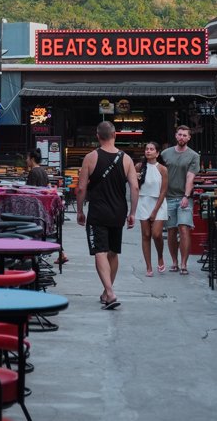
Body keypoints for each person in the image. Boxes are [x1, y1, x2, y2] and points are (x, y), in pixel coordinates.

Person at [76, 120, 139, 310]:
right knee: (113, 251)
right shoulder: (126, 159)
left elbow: (81, 188)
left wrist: (79, 211)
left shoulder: (90, 157)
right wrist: (133, 213)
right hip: (118, 211)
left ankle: (110, 292)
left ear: (97, 136)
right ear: (115, 135)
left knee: (100, 251)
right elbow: (135, 187)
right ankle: (107, 291)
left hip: (98, 211)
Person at [161, 125, 200, 275]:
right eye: (180, 135)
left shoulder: (193, 156)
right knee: (171, 230)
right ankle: (174, 262)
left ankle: (184, 263)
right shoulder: (165, 154)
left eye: (185, 135)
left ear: (189, 138)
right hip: (168, 197)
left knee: (184, 228)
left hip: (184, 197)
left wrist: (186, 195)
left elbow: (190, 177)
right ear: (176, 136)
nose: (182, 137)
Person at [134, 141, 168, 276]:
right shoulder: (139, 166)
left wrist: (154, 211)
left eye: (151, 149)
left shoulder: (162, 169)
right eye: (146, 149)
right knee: (146, 235)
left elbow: (164, 191)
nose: (148, 151)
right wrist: (135, 177)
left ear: (157, 153)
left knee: (157, 234)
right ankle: (148, 266)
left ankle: (160, 256)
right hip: (143, 202)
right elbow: (133, 186)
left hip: (158, 203)